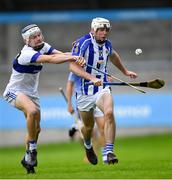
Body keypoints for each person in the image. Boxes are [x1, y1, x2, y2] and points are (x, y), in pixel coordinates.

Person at [3, 24, 102, 174]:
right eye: (33, 37)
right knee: (32, 111)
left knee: (36, 130)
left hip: (32, 94)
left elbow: (60, 54)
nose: (37, 39)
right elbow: (51, 59)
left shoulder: (43, 46)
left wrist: (75, 55)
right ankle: (32, 151)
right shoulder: (26, 54)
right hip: (14, 92)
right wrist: (73, 56)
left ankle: (27, 160)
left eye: (38, 35)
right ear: (27, 41)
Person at [70, 17, 138, 165]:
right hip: (84, 92)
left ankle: (108, 151)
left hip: (102, 88)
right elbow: (73, 67)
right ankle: (88, 146)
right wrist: (91, 78)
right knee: (88, 128)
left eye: (107, 30)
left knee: (109, 112)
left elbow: (113, 56)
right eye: (101, 29)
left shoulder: (107, 44)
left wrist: (125, 72)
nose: (105, 32)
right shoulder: (83, 43)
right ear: (94, 30)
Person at [66, 72, 106, 163]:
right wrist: (69, 104)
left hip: (98, 98)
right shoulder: (76, 69)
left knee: (103, 128)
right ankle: (89, 151)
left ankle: (105, 155)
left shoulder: (95, 65)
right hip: (84, 102)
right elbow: (69, 85)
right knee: (87, 131)